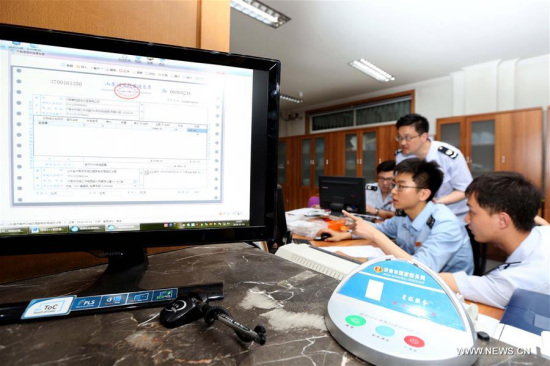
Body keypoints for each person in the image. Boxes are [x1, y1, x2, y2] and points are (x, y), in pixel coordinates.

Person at [318, 158, 473, 274]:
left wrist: (359, 257)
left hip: (449, 293)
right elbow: (381, 228)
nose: (393, 191)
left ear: (424, 193)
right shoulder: (404, 214)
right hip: (407, 270)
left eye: (401, 186)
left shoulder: (445, 223)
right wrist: (344, 235)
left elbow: (421, 271)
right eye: (394, 185)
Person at [439, 172, 550, 309]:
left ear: (502, 220)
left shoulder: (517, 283)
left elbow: (443, 281)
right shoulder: (543, 232)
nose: (466, 219)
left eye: (472, 212)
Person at [393, 113, 487, 275]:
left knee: (461, 267)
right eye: (399, 137)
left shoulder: (448, 155)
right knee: (425, 258)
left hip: (455, 219)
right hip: (422, 219)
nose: (403, 143)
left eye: (408, 138)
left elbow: (465, 189)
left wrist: (436, 202)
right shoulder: (401, 156)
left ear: (424, 136)